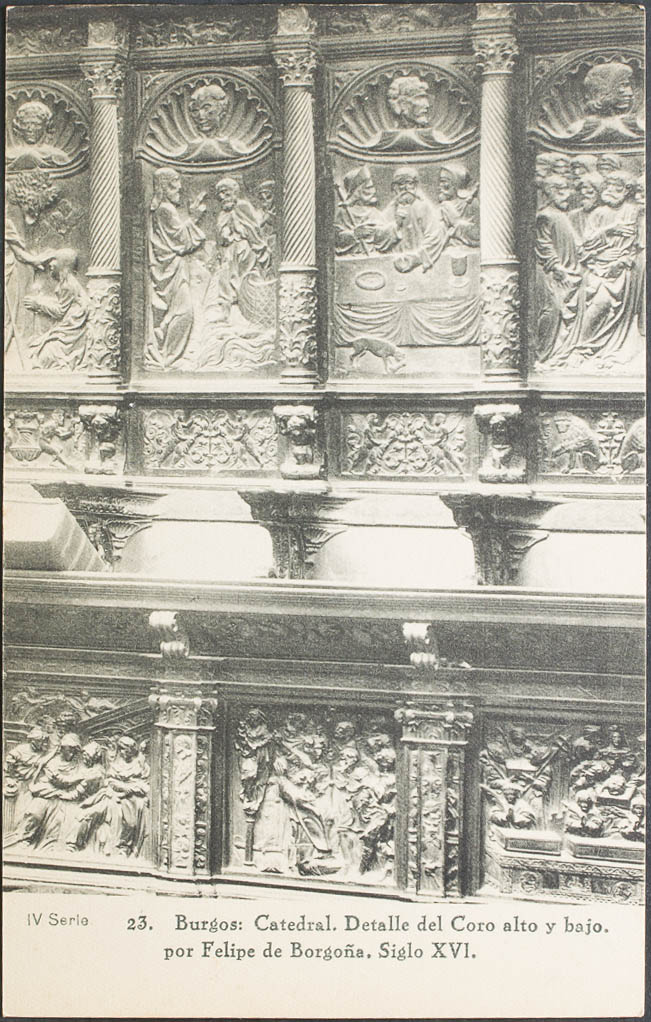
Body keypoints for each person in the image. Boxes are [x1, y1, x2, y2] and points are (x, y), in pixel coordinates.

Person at [578, 170, 644, 367]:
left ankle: (613, 349)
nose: (610, 190)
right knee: (599, 304)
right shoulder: (598, 213)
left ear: (627, 190)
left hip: (623, 270)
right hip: (599, 267)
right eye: (608, 186)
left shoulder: (634, 211)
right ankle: (583, 347)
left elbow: (639, 244)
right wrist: (610, 230)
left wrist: (623, 260)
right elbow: (586, 242)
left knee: (613, 308)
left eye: (616, 186)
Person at [147, 168, 206, 368]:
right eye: (175, 186)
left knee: (180, 309)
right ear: (165, 187)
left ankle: (164, 331)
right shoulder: (166, 209)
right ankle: (169, 358)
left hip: (172, 268)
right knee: (185, 311)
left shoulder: (163, 208)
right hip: (170, 270)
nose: (179, 188)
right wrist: (194, 217)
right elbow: (181, 241)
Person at [534, 174, 583, 369]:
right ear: (550, 193)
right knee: (551, 309)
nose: (567, 195)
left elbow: (575, 242)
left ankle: (555, 353)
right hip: (553, 273)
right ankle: (541, 356)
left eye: (567, 190)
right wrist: (556, 266)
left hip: (570, 271)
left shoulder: (563, 216)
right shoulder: (545, 216)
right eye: (561, 191)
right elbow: (543, 243)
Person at [13, 733, 85, 851]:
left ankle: (62, 846)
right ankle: (25, 838)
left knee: (71, 817)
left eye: (74, 750)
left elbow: (83, 781)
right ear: (62, 749)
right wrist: (78, 778)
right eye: (69, 750)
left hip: (66, 796)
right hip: (46, 792)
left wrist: (73, 790)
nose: (71, 753)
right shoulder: (52, 762)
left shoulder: (77, 764)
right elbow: (59, 781)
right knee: (35, 812)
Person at [24, 248, 90, 370]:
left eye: (55, 260)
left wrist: (38, 305)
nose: (51, 264)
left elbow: (60, 312)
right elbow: (63, 305)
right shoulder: (67, 283)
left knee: (45, 355)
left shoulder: (68, 285)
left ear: (63, 265)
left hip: (71, 331)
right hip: (68, 327)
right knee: (39, 350)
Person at [334, 166, 396, 256]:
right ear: (358, 191)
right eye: (368, 188)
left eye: (372, 187)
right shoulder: (344, 212)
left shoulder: (374, 212)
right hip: (351, 257)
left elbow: (382, 238)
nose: (373, 191)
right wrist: (354, 234)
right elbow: (335, 240)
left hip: (372, 256)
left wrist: (395, 227)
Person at [181, 85, 245, 162]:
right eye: (195, 111)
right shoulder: (190, 147)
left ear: (222, 112)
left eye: (207, 109)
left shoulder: (235, 146)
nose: (201, 116)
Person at [7, 100, 69, 171]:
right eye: (25, 124)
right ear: (18, 126)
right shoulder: (9, 155)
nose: (30, 129)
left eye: (36, 124)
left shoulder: (58, 156)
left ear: (46, 126)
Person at [437, 162, 479, 247]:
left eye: (443, 181)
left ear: (455, 183)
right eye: (440, 181)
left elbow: (478, 232)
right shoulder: (444, 206)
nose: (440, 186)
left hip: (465, 246)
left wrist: (457, 227)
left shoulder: (471, 203)